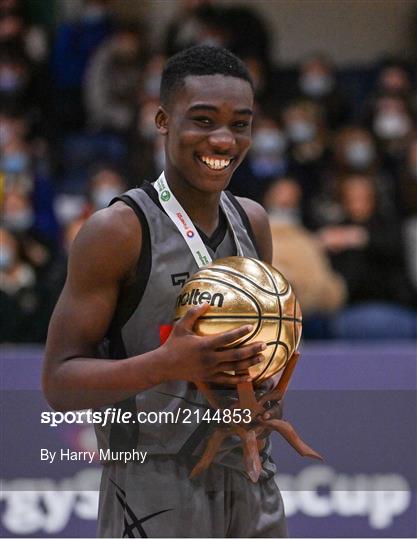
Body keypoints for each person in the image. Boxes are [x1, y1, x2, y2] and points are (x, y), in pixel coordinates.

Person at [43, 46, 287, 538]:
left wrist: (264, 387)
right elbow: (59, 385)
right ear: (162, 120)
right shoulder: (118, 230)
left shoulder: (252, 221)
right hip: (153, 481)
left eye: (240, 124)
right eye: (203, 120)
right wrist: (166, 364)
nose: (223, 139)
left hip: (252, 470)